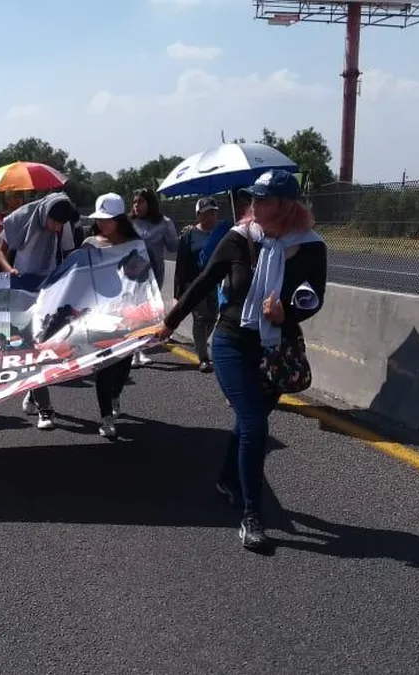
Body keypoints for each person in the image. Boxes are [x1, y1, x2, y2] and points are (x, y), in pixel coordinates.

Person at [156, 169, 327, 552]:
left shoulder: (311, 246)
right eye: (253, 199)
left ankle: (226, 479)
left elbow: (315, 295)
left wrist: (288, 311)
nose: (254, 206)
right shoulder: (239, 238)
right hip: (232, 341)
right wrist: (170, 322)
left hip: (276, 348)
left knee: (252, 422)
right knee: (253, 423)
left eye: (263, 200)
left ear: (286, 206)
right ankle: (252, 515)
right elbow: (202, 281)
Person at [0, 192, 80, 429]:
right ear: (45, 215)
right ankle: (46, 410)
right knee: (31, 347)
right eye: (54, 223)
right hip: (22, 288)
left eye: (60, 225)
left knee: (47, 346)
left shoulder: (62, 223)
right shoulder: (19, 218)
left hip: (49, 287)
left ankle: (33, 392)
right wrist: (9, 269)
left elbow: (69, 252)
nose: (56, 228)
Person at [81, 193, 140, 439]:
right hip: (99, 314)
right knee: (104, 366)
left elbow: (142, 280)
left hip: (128, 316)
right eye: (99, 219)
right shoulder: (89, 244)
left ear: (120, 219)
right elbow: (79, 277)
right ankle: (106, 417)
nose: (102, 224)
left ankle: (115, 396)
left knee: (123, 363)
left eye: (108, 220)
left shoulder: (135, 244)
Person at [128, 189, 178, 366]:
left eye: (140, 202)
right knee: (134, 313)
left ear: (150, 203)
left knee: (146, 314)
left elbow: (173, 246)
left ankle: (140, 350)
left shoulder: (163, 223)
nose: (136, 205)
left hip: (154, 275)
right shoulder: (128, 223)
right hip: (131, 276)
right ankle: (134, 352)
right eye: (134, 202)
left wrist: (182, 234)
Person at [174, 197, 222, 372]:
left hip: (216, 283)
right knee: (201, 318)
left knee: (212, 317)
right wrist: (178, 293)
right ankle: (203, 357)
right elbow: (180, 265)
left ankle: (200, 343)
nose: (210, 216)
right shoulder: (188, 236)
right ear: (198, 215)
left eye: (213, 212)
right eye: (206, 213)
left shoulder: (222, 233)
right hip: (194, 284)